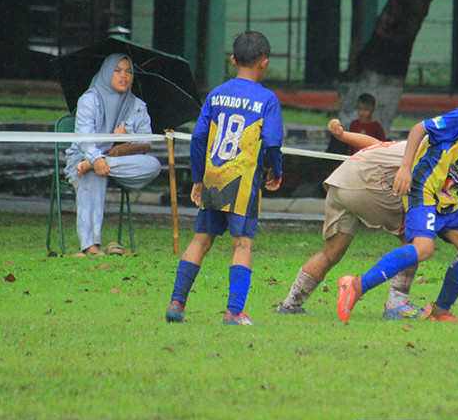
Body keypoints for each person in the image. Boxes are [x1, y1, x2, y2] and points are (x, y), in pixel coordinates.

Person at [336, 75, 458, 323]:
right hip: (423, 189)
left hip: (445, 198)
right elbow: (419, 129)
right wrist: (405, 168)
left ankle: (440, 311)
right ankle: (355, 286)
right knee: (424, 248)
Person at [165, 31, 283, 325]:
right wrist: (276, 170)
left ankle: (176, 304)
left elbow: (198, 137)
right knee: (242, 243)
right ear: (264, 63)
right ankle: (234, 312)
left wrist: (197, 179)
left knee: (200, 239)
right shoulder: (267, 99)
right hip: (242, 182)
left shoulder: (216, 95)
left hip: (214, 176)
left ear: (233, 60)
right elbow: (271, 142)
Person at [276, 120, 418, 319]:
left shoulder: (405, 145)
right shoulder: (428, 150)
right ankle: (396, 304)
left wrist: (343, 136)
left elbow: (374, 144)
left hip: (340, 181)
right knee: (414, 240)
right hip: (362, 183)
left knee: (330, 252)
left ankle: (290, 305)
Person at [65, 53, 161, 257]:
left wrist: (127, 139)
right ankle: (90, 246)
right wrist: (95, 158)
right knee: (93, 175)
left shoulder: (137, 106)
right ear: (106, 73)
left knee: (153, 165)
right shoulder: (89, 100)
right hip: (84, 158)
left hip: (119, 163)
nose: (123, 76)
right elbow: (84, 138)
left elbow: (146, 143)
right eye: (117, 71)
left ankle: (94, 165)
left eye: (128, 71)